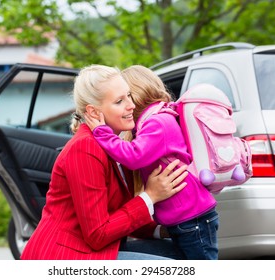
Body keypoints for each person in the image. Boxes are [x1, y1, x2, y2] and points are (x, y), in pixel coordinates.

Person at [20, 64, 188, 260]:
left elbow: (119, 214)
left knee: (183, 252)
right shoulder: (85, 149)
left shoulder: (116, 145)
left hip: (98, 250)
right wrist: (150, 196)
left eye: (129, 96)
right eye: (119, 101)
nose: (131, 105)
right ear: (93, 112)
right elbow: (98, 234)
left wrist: (161, 231)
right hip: (66, 257)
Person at [85, 65, 219, 260]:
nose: (126, 104)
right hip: (188, 218)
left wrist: (102, 133)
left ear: (136, 94)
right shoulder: (156, 119)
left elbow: (133, 157)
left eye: (126, 97)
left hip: (192, 218)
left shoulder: (158, 122)